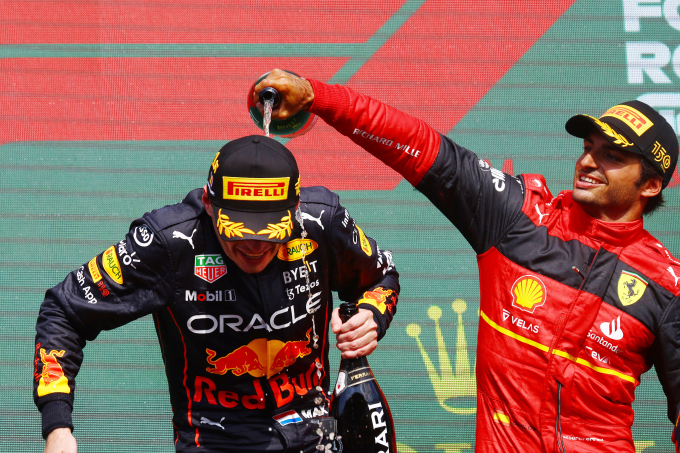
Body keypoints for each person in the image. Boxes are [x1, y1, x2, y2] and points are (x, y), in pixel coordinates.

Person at [254, 69, 680, 452]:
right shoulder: (518, 219)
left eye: (612, 156)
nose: (587, 161)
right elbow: (419, 146)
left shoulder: (667, 286)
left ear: (651, 185)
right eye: (588, 148)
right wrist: (320, 97)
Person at [33, 135, 400, 453]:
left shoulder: (322, 221)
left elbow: (382, 275)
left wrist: (372, 312)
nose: (255, 245)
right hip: (216, 437)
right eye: (239, 230)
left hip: (318, 428)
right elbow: (64, 311)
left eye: (270, 231)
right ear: (209, 204)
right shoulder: (168, 242)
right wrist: (57, 426)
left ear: (295, 208)